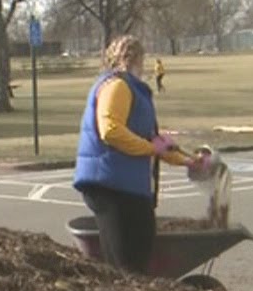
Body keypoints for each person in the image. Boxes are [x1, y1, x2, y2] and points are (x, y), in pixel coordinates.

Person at [73, 35, 197, 274]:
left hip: (122, 184)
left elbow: (152, 140)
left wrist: (188, 161)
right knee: (128, 264)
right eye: (142, 59)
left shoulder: (131, 89)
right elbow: (110, 130)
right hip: (112, 184)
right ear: (135, 59)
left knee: (129, 260)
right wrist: (152, 148)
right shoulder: (118, 86)